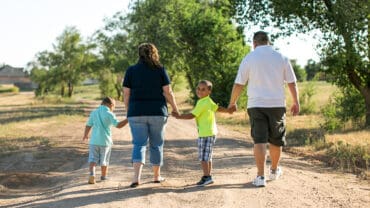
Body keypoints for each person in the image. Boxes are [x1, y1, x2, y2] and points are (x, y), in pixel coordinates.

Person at [228, 31, 300, 187]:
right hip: (277, 105)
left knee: (259, 140)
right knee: (276, 140)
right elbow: (292, 83)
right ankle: (274, 171)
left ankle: (260, 177)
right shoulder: (281, 57)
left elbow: (239, 83)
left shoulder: (249, 58)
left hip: (256, 105)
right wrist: (296, 102)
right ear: (269, 42)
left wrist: (232, 102)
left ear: (254, 43)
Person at [122, 43, 180, 188]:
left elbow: (126, 93)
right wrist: (175, 108)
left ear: (139, 54)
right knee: (156, 144)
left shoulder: (131, 70)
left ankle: (136, 178)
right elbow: (168, 92)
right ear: (154, 53)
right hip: (157, 112)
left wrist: (129, 109)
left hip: (136, 113)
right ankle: (156, 176)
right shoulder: (160, 69)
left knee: (138, 144)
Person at [172, 80, 233, 186]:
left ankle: (206, 177)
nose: (200, 91)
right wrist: (228, 110)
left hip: (205, 134)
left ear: (209, 91)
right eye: (198, 89)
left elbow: (192, 115)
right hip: (211, 133)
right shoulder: (208, 101)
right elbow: (217, 108)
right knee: (208, 156)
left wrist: (179, 116)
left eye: (203, 89)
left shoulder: (202, 102)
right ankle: (208, 175)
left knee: (203, 157)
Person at [82, 97, 128, 184]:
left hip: (94, 141)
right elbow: (118, 125)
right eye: (114, 106)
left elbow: (88, 125)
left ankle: (92, 174)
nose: (113, 108)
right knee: (104, 160)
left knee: (93, 159)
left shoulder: (94, 112)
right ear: (110, 105)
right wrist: (128, 119)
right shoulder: (109, 114)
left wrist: (86, 135)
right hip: (105, 142)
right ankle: (103, 176)